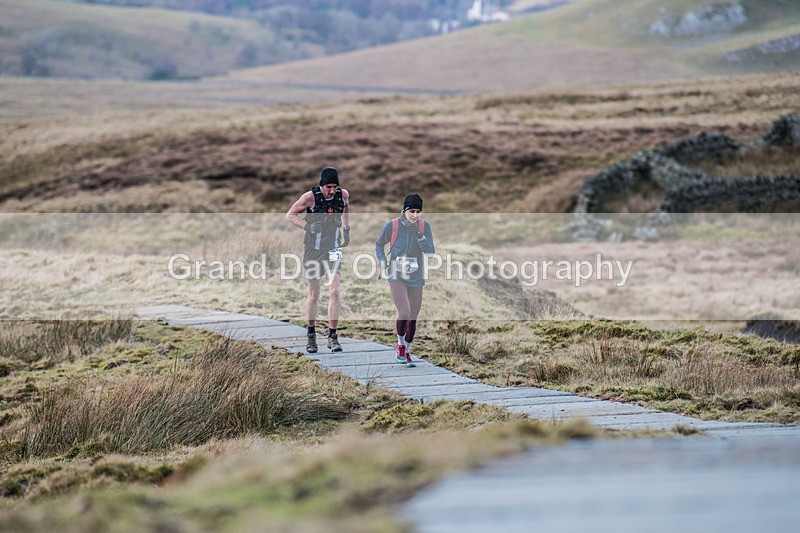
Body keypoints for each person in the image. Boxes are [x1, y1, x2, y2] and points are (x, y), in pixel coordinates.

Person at [286, 167, 350, 353]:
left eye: (335, 186)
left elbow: (346, 208)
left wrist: (346, 229)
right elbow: (290, 215)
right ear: (322, 185)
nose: (332, 190)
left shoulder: (343, 195)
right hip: (313, 250)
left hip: (333, 249)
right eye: (328, 187)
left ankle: (333, 336)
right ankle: (311, 335)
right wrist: (308, 226)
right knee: (314, 294)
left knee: (335, 291)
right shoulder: (310, 198)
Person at [375, 193, 435, 367]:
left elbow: (431, 253)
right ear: (404, 210)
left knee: (413, 318)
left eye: (418, 212)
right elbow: (379, 244)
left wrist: (419, 235)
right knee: (405, 312)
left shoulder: (424, 227)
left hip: (416, 276)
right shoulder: (392, 225)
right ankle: (400, 345)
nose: (415, 215)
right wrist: (382, 263)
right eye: (412, 211)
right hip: (396, 274)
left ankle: (407, 350)